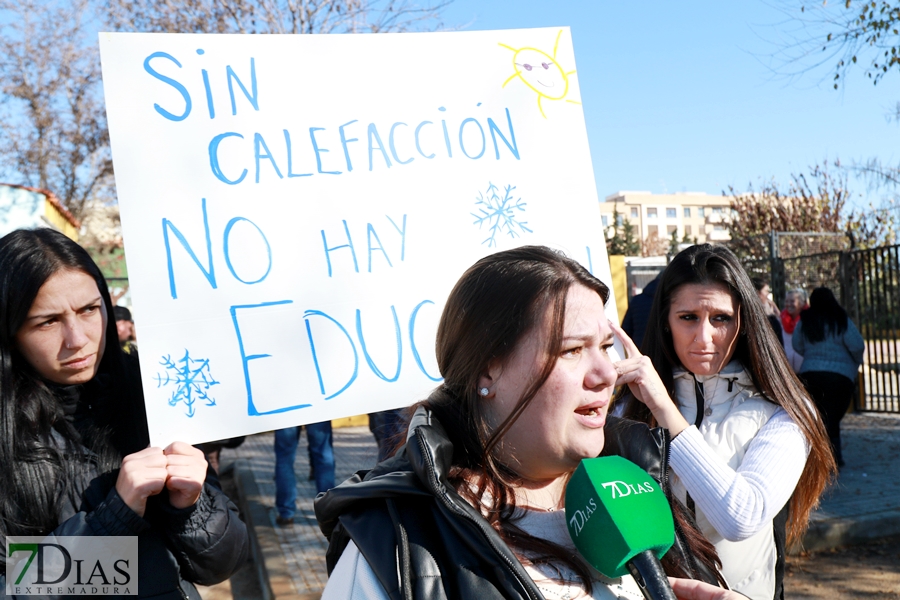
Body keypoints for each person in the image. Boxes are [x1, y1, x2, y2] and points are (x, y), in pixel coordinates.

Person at [315, 246, 726, 600]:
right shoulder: (396, 545)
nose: (606, 372)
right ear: (487, 372)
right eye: (571, 350)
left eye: (604, 346)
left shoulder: (636, 485)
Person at [0, 228, 249, 598]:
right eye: (48, 321)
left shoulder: (150, 397)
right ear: (10, 331)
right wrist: (110, 523)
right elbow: (11, 588)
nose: (78, 339)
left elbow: (220, 567)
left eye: (89, 310)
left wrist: (192, 507)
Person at [616, 244, 835, 600]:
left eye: (720, 318)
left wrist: (664, 409)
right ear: (665, 322)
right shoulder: (630, 405)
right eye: (688, 317)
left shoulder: (784, 411)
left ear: (744, 322)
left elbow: (740, 517)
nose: (704, 338)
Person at [792, 287, 865, 468]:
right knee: (832, 417)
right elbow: (857, 345)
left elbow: (796, 344)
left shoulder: (806, 320)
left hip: (811, 375)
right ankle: (834, 458)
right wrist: (852, 363)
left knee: (818, 418)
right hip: (840, 378)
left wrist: (811, 355)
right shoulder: (840, 319)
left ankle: (818, 460)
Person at [274, 421, 336, 526]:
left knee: (284, 459)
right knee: (323, 456)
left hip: (284, 410)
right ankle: (328, 513)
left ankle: (286, 514)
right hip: (316, 408)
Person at [622, 271, 661, 349]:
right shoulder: (670, 301)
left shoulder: (636, 300)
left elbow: (626, 329)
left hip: (640, 348)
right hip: (662, 350)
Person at [780, 288, 807, 372]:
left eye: (792, 301)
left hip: (805, 367)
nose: (788, 304)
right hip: (787, 369)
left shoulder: (808, 320)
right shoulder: (781, 319)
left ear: (801, 303)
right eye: (787, 301)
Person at [750, 277, 783, 345]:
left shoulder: (770, 307)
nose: (768, 294)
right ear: (757, 292)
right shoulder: (750, 311)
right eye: (766, 291)